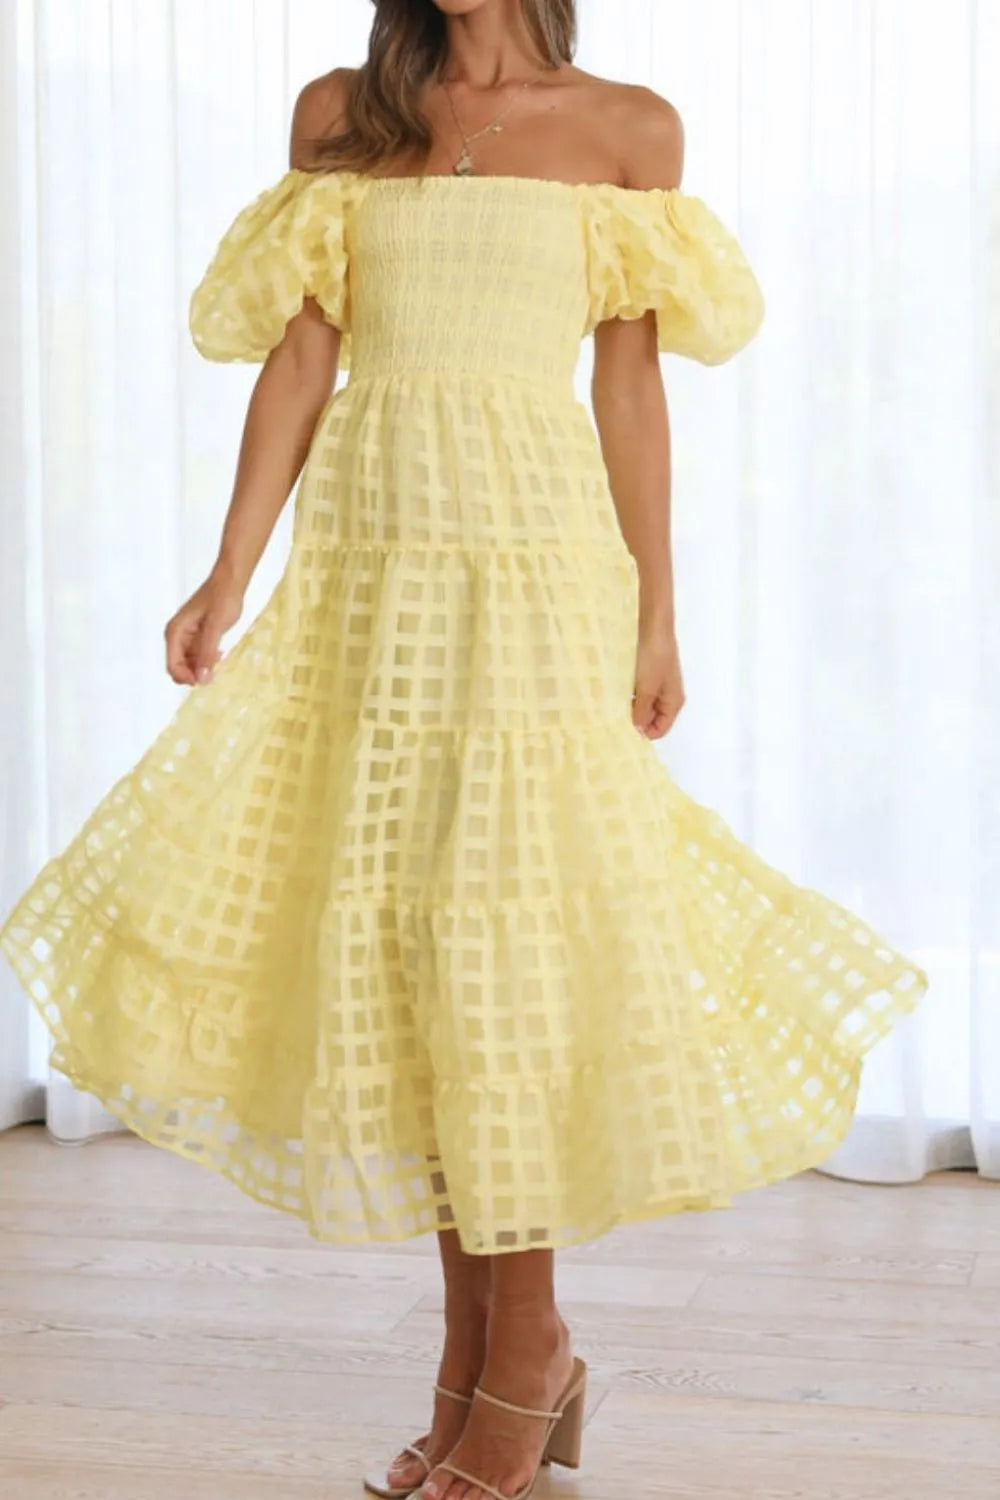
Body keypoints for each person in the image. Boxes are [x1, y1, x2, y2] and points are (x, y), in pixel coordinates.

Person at [0, 2, 930, 1499]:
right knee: (405, 953)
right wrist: (228, 575)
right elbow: (300, 363)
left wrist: (657, 612)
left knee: (500, 948)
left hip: (533, 563)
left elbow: (629, 387)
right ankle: (484, 1362)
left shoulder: (627, 129)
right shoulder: (344, 112)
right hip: (370, 565)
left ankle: (526, 1352)